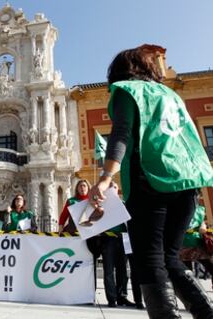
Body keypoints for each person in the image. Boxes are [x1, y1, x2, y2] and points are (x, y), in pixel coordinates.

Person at [89, 44, 213, 318]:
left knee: (149, 260)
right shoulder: (171, 95)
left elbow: (120, 134)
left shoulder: (126, 91)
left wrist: (106, 177)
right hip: (187, 183)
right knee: (169, 258)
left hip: (150, 180)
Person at [180, 204, 213, 289]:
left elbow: (203, 227)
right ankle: (193, 291)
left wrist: (203, 227)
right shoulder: (199, 209)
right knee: (187, 272)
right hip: (188, 244)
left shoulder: (200, 209)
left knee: (187, 272)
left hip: (195, 244)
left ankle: (193, 291)